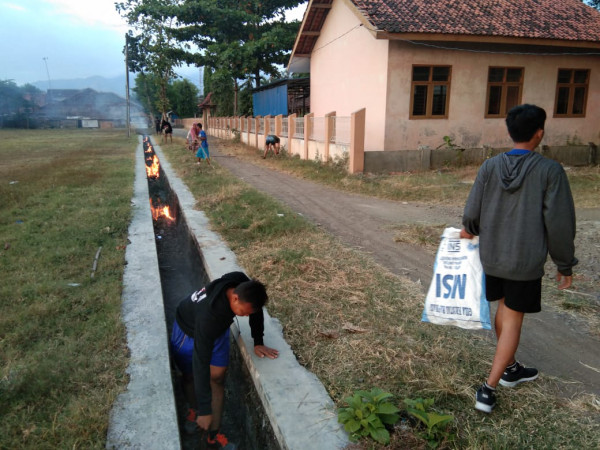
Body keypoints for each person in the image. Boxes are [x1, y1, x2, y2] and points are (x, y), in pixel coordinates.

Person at [460, 104, 578, 414]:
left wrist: (469, 229)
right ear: (539, 133)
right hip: (523, 261)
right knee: (511, 318)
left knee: (503, 309)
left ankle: (511, 366)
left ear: (510, 132)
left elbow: (472, 211)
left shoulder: (489, 167)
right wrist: (564, 263)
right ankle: (488, 389)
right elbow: (560, 223)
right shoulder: (550, 171)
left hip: (493, 256)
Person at [170, 271, 278, 448]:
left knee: (218, 378)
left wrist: (258, 342)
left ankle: (213, 434)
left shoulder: (240, 282)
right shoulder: (209, 316)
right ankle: (195, 409)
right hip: (188, 332)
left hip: (217, 331)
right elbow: (200, 361)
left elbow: (255, 311)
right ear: (235, 298)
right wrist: (205, 410)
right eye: (243, 313)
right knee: (190, 375)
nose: (244, 316)